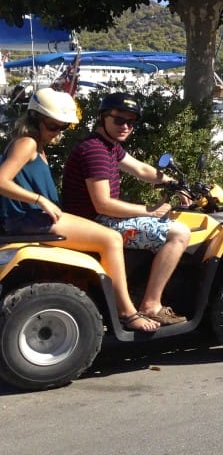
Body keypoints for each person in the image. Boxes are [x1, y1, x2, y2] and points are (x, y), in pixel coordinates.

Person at [0, 90, 159, 332]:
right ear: (35, 118)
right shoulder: (27, 143)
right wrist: (39, 200)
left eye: (63, 127)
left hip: (34, 217)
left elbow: (140, 169)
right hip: (29, 218)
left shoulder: (35, 144)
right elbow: (2, 180)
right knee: (111, 239)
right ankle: (127, 312)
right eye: (53, 126)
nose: (58, 132)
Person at [61, 92, 189, 326]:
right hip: (96, 222)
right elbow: (103, 204)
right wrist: (148, 211)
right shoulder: (95, 151)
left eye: (131, 122)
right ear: (103, 118)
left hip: (99, 218)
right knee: (179, 233)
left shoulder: (109, 146)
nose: (126, 127)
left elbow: (140, 169)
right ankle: (151, 305)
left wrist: (173, 182)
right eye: (119, 120)